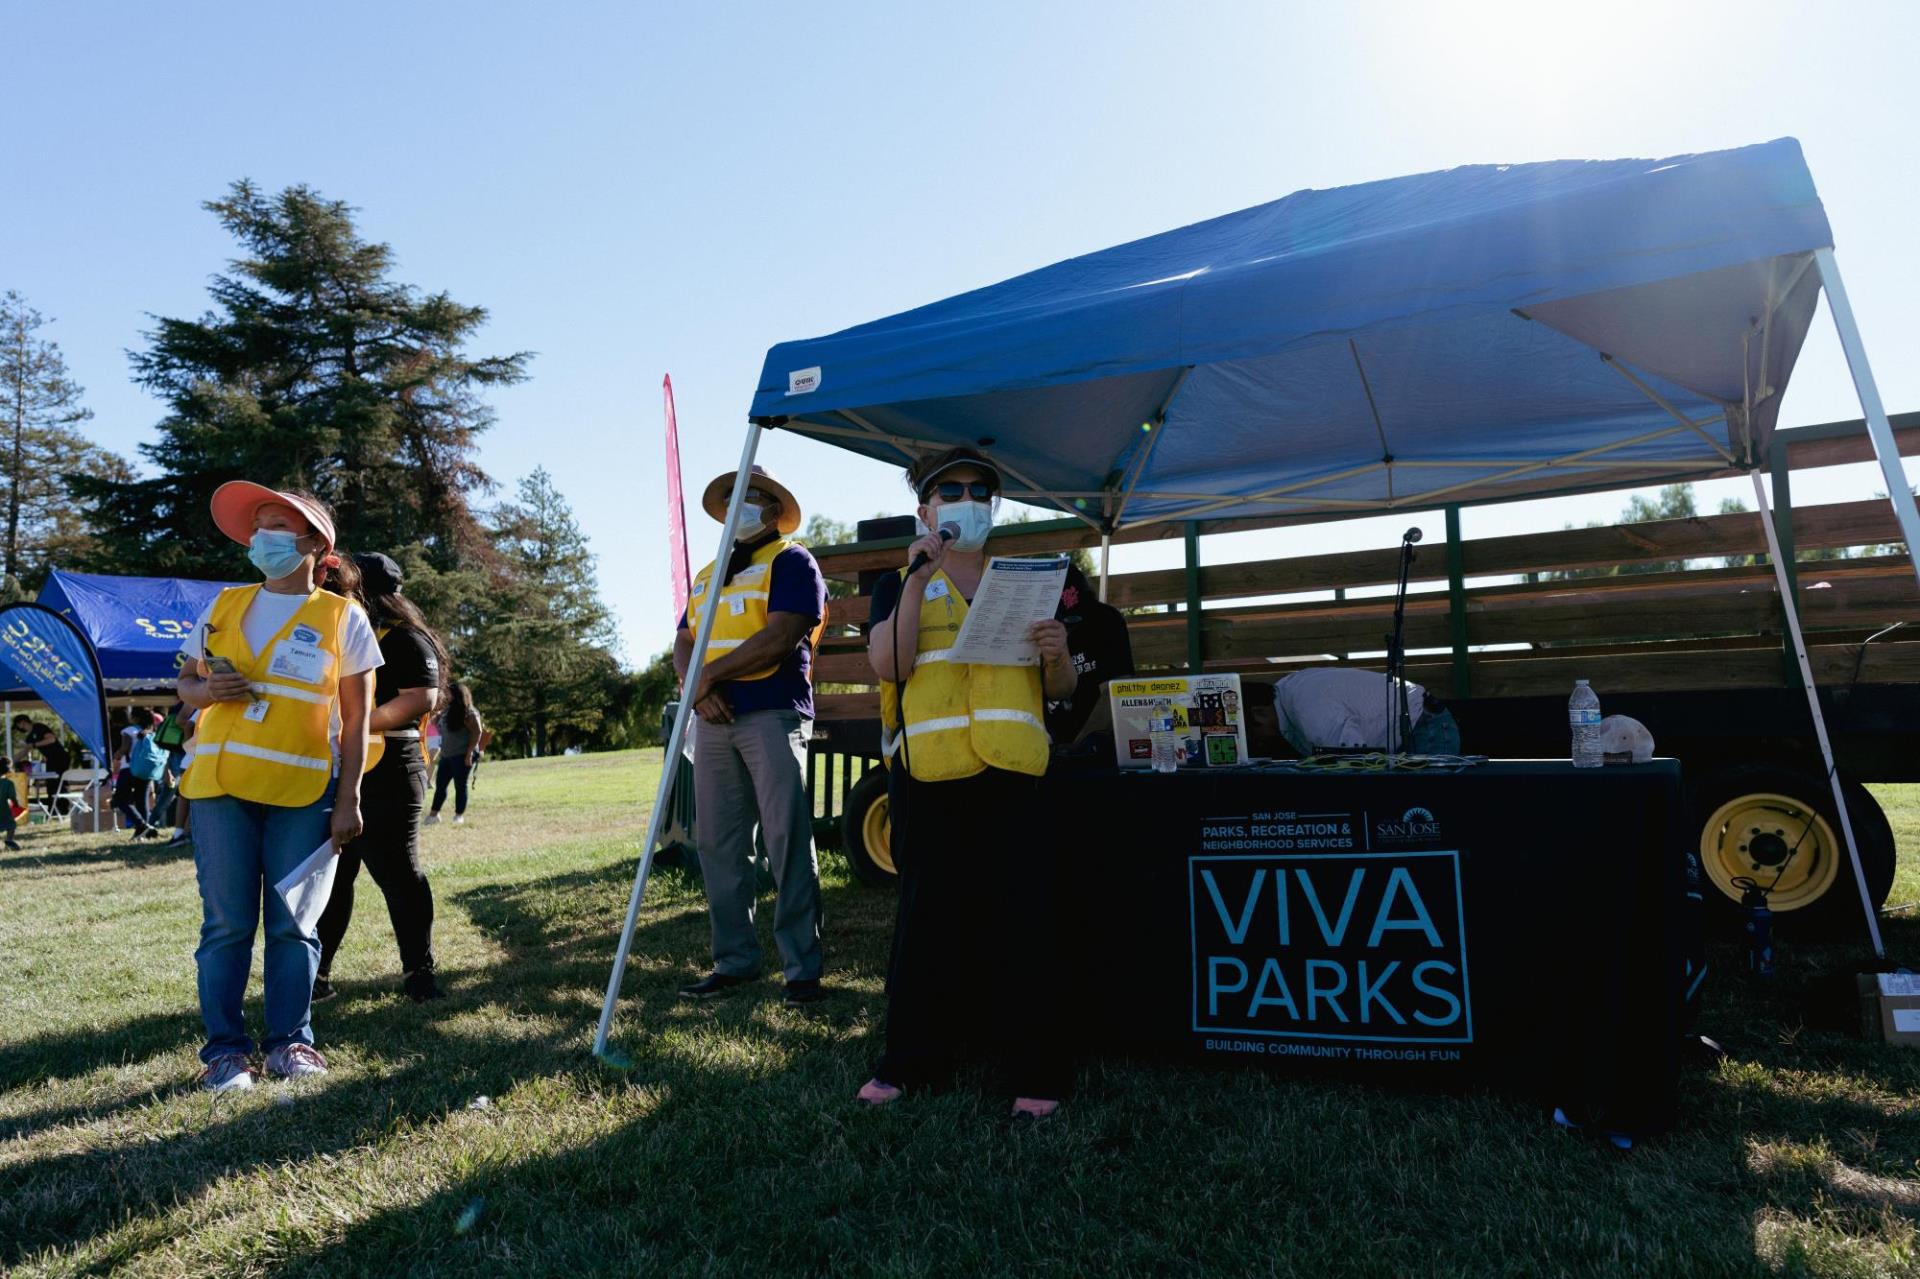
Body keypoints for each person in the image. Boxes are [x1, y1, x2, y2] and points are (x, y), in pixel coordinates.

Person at [861, 447, 1077, 1117]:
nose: (966, 498)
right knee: (926, 925)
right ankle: (908, 1062)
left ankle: (1035, 1071)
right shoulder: (901, 584)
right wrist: (916, 574)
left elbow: (1062, 690)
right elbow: (888, 665)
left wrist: (1059, 653)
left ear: (994, 506)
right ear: (925, 509)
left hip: (1016, 771)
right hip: (931, 776)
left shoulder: (1025, 582)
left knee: (1027, 923)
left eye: (978, 490)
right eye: (948, 490)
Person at [177, 482, 380, 1092]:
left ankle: (292, 1043)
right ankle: (225, 1053)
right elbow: (185, 688)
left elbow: (359, 717)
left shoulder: (343, 616)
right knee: (227, 925)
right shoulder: (223, 605)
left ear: (315, 544)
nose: (261, 536)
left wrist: (349, 800)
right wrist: (208, 690)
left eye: (276, 526)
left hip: (305, 792)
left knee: (295, 924)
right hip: (220, 786)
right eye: (258, 526)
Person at [674, 464, 829, 1005]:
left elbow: (781, 636)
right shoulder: (707, 574)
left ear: (771, 510)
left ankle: (802, 971)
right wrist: (696, 689)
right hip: (713, 719)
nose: (742, 504)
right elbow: (683, 643)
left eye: (753, 496)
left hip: (773, 713)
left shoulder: (792, 560)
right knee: (719, 843)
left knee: (786, 841)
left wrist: (709, 677)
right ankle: (734, 962)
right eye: (735, 496)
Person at [315, 552, 448, 1004]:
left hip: (391, 768)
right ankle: (317, 978)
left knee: (399, 874)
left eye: (342, 581)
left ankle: (419, 974)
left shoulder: (406, 638)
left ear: (361, 589)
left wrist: (357, 722)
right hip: (339, 768)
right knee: (335, 878)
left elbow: (420, 699)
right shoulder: (340, 631)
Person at [1248, 667, 1462, 758]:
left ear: (1258, 714)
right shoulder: (1289, 693)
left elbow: (1354, 761)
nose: (1257, 743)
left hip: (1424, 727)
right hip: (1418, 724)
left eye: (1252, 736)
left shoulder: (1308, 710)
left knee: (1428, 815)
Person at [1045, 562, 1135, 743]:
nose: (1067, 629)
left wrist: (1079, 748)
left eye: (1073, 621)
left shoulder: (1103, 619)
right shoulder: (1034, 631)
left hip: (1092, 746)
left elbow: (1116, 693)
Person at [426, 683, 481, 826]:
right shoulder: (447, 711)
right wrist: (435, 718)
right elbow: (436, 724)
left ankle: (458, 815)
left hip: (462, 755)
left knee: (460, 786)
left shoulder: (468, 712)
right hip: (447, 755)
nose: (445, 695)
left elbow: (477, 732)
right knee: (440, 785)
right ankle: (434, 815)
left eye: (448, 693)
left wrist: (469, 753)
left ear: (456, 695)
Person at [13, 717, 69, 803]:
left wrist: (34, 745)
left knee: (59, 782)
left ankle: (63, 807)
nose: (19, 728)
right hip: (50, 760)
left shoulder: (39, 727)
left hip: (60, 757)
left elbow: (51, 739)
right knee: (50, 783)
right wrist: (9, 761)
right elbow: (24, 752)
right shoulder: (29, 738)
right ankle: (53, 808)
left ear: (23, 722)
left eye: (18, 725)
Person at [0, 759, 22, 851]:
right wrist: (16, 804)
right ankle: (9, 839)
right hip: (3, 808)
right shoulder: (8, 783)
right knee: (11, 824)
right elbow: (12, 797)